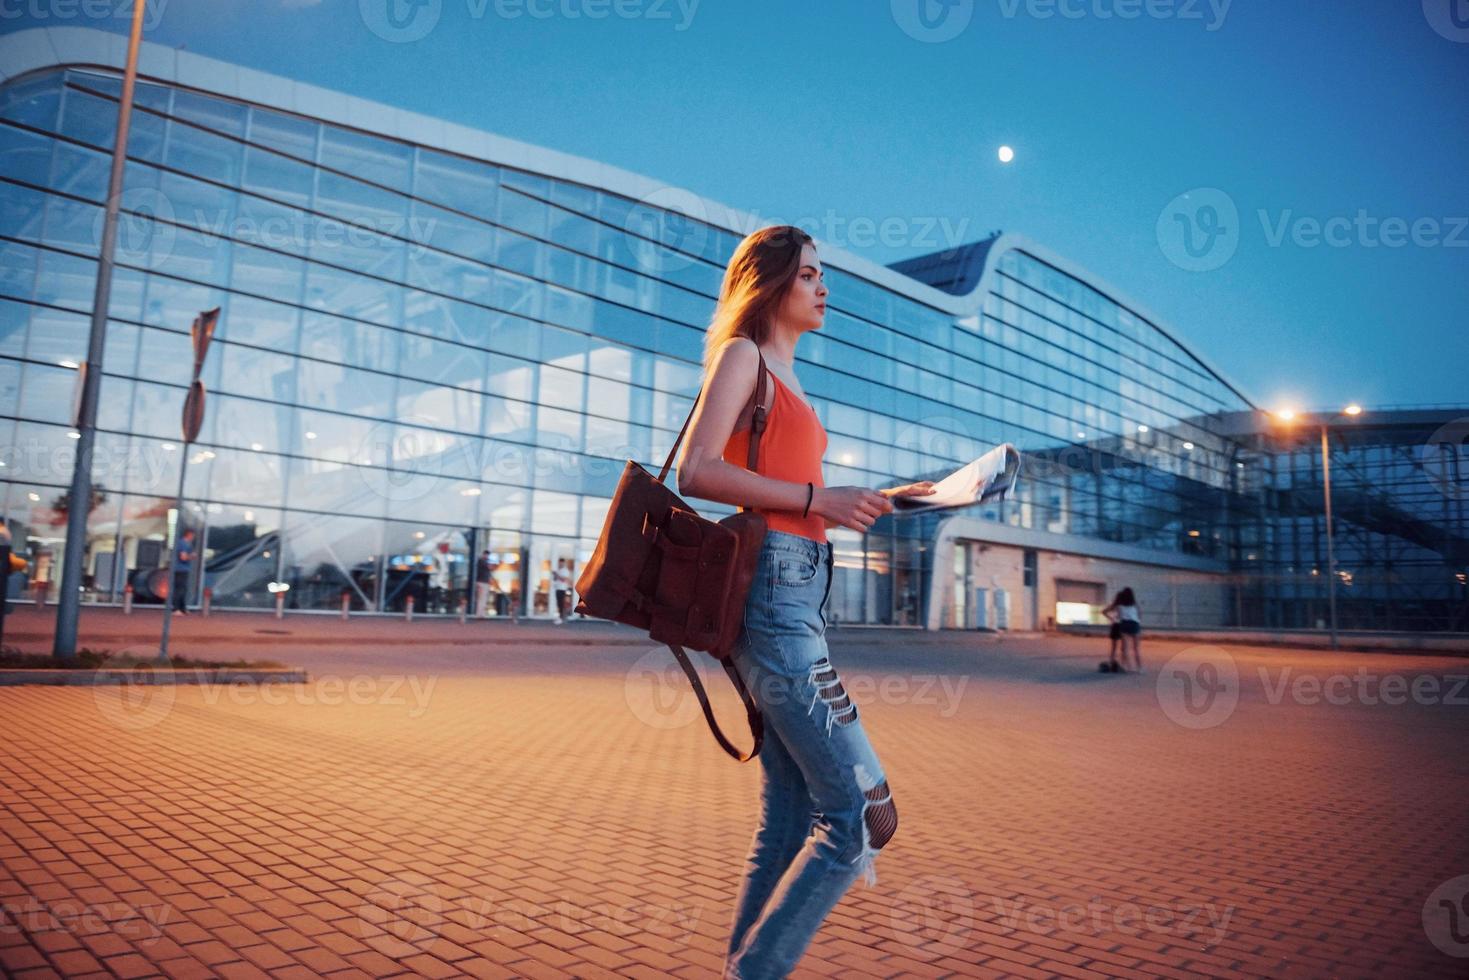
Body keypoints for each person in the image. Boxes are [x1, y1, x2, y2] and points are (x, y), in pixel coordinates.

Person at [675, 225, 936, 979]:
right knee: (861, 816)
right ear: (770, 283)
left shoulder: (789, 378)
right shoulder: (743, 357)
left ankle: (743, 967)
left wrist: (881, 499)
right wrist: (822, 496)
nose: (824, 288)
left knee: (791, 816)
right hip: (772, 596)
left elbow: (796, 496)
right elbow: (697, 469)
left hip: (804, 594)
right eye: (810, 275)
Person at [1101, 587, 1143, 672]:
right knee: (1136, 648)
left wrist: (1112, 618)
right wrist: (1137, 620)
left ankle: (1126, 666)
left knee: (1124, 648)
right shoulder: (1134, 604)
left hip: (1123, 624)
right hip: (1134, 623)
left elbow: (1118, 616)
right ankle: (1139, 668)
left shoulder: (1119, 605)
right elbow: (1140, 614)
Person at [171, 528, 196, 616]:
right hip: (180, 569)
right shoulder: (183, 544)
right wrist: (191, 556)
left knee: (183, 589)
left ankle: (182, 608)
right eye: (193, 535)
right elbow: (183, 557)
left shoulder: (186, 544)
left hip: (183, 569)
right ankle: (176, 608)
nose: (193, 537)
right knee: (179, 589)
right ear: (189, 534)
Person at [474, 549, 494, 618]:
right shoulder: (482, 561)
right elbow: (490, 567)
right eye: (487, 555)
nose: (487, 556)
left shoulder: (483, 561)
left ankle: (481, 613)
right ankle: (480, 614)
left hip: (483, 582)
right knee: (482, 598)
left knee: (483, 598)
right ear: (484, 554)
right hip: (482, 582)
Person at [552, 558, 573, 624]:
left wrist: (556, 575)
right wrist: (555, 576)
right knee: (559, 604)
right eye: (559, 563)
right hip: (557, 588)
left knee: (561, 604)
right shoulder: (558, 570)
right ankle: (560, 618)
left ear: (563, 563)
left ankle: (562, 618)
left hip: (562, 589)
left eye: (561, 563)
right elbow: (556, 579)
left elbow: (563, 580)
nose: (560, 564)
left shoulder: (565, 571)